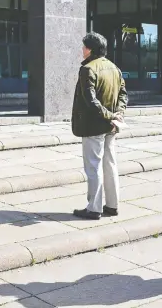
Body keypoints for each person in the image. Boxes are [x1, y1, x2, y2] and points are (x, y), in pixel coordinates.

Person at [71, 32, 128, 220]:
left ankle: (94, 208)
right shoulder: (115, 68)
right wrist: (117, 114)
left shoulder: (88, 69)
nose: (82, 49)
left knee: (93, 166)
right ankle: (113, 205)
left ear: (90, 49)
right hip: (111, 126)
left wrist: (110, 115)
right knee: (110, 164)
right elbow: (123, 95)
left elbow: (90, 100)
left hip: (93, 126)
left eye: (84, 46)